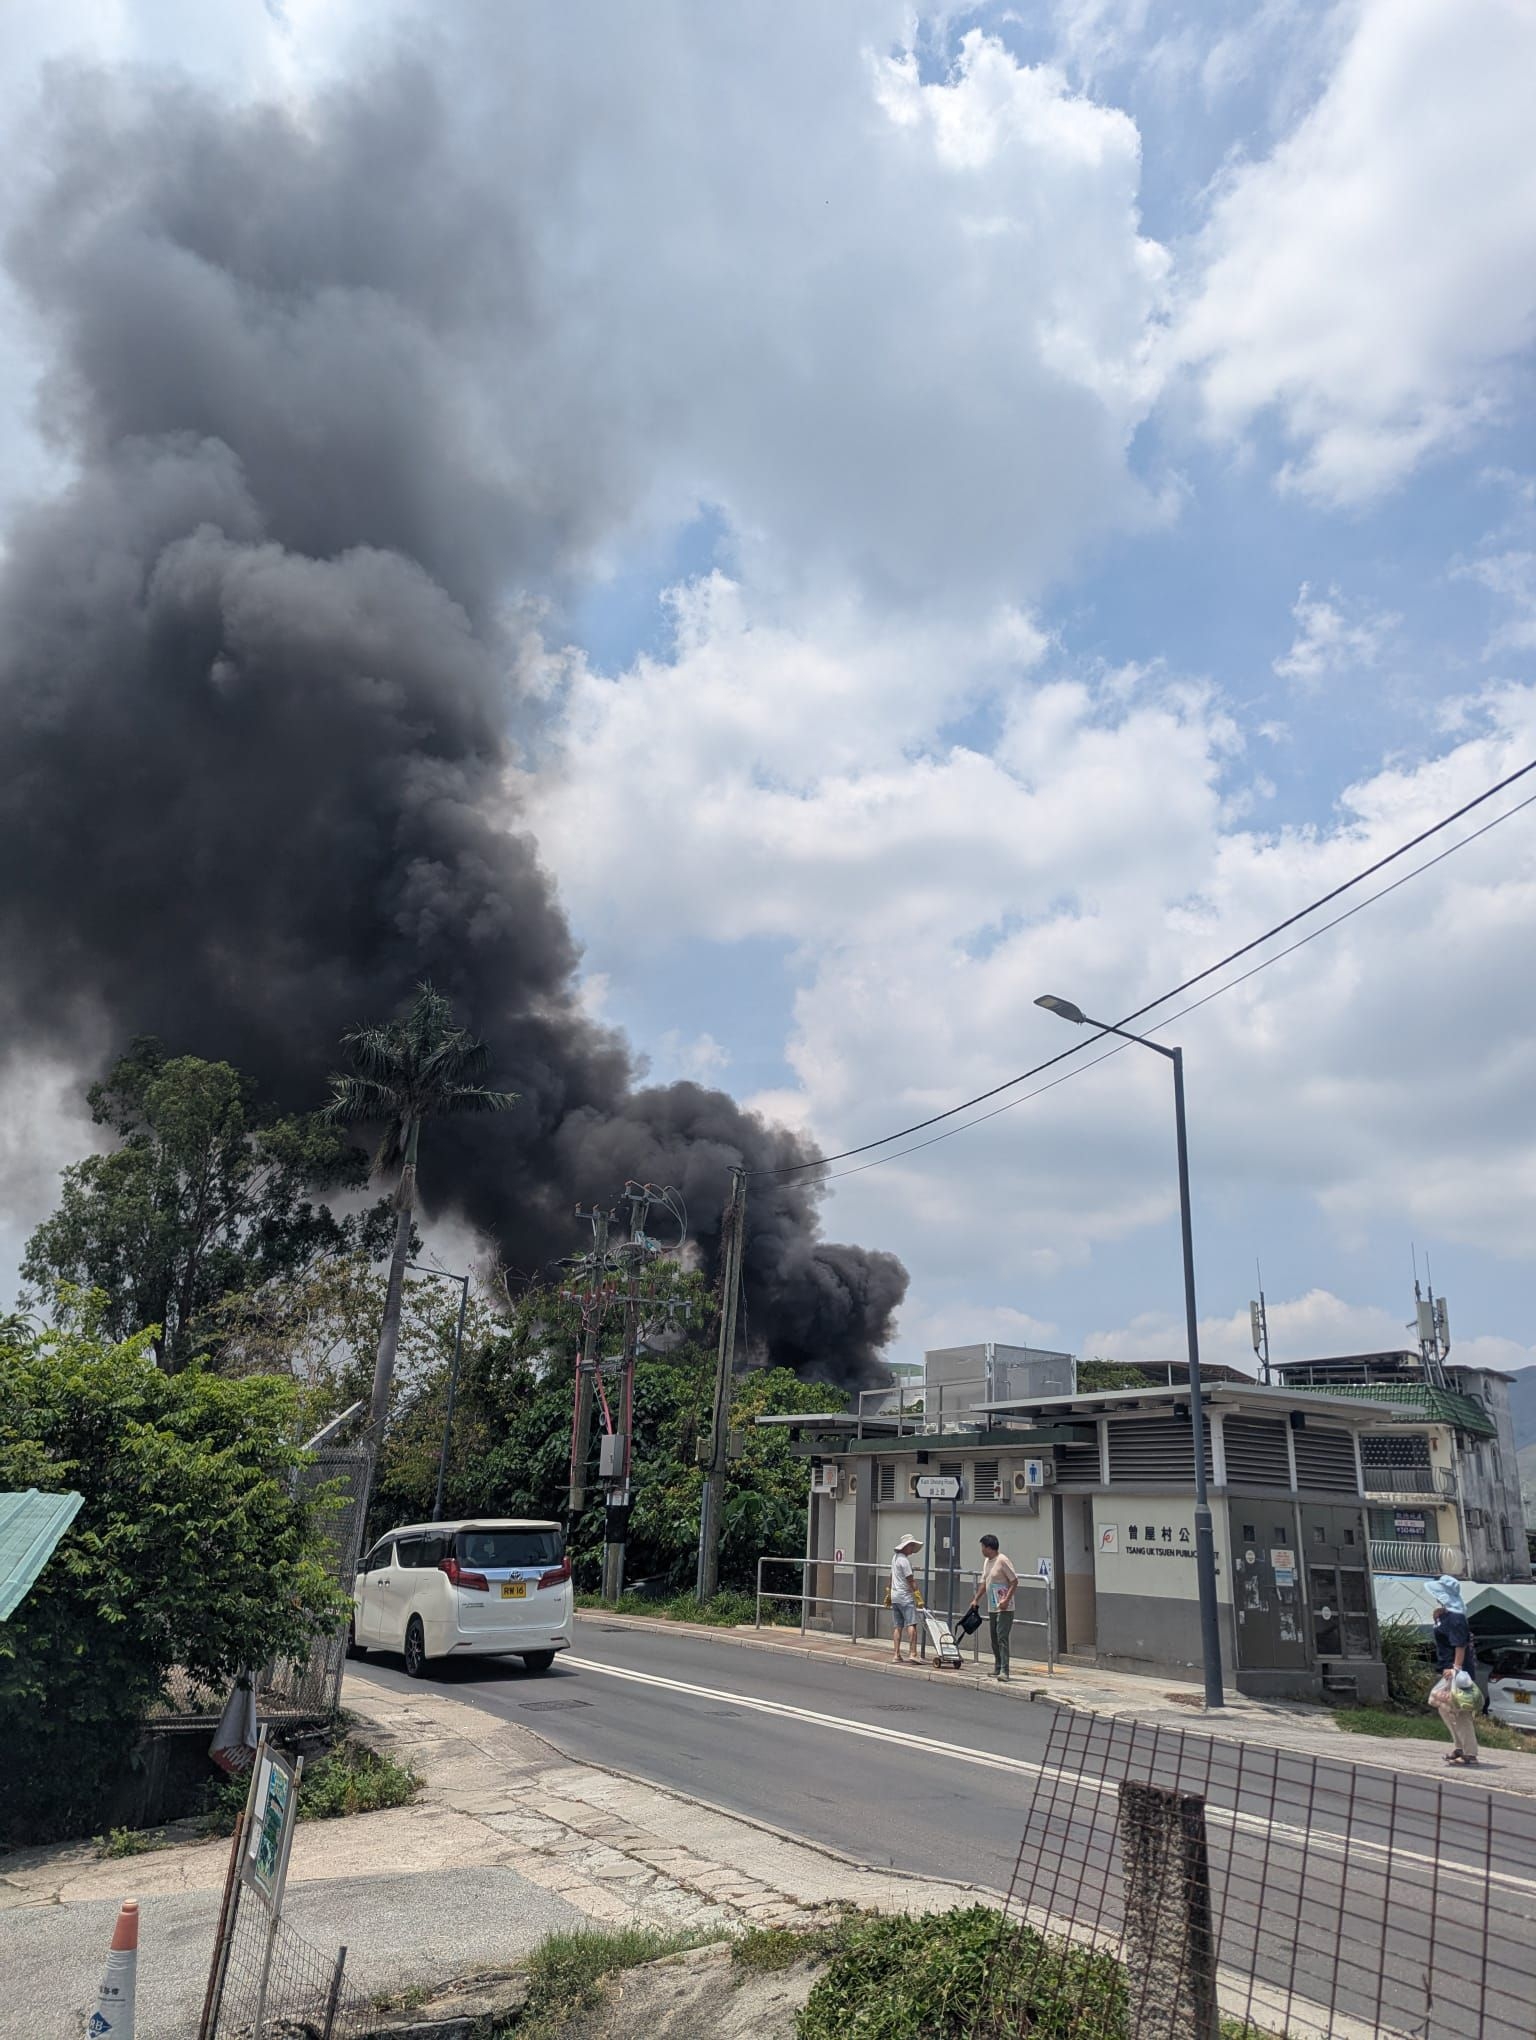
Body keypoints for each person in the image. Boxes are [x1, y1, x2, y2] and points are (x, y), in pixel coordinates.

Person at [1428, 1574, 1481, 1766]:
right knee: (1447, 1707)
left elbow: (1460, 1645)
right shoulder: (1447, 1615)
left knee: (1456, 1707)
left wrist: (1456, 1668)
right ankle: (1461, 1747)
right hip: (1449, 1669)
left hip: (1458, 1671)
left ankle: (1469, 1752)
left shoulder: (1457, 1617)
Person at [971, 1534, 1019, 1681]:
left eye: (983, 1547)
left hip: (1005, 1607)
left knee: (1002, 1637)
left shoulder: (1002, 1560)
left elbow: (1014, 1581)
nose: (981, 1550)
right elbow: (984, 1582)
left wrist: (1006, 1599)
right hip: (992, 1605)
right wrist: (976, 1599)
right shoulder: (987, 1562)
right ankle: (998, 1667)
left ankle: (1005, 1670)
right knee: (994, 1637)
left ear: (989, 1547)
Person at [889, 1534, 922, 1663]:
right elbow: (911, 1580)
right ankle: (913, 1653)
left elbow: (891, 1575)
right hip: (905, 1596)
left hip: (895, 1595)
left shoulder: (895, 1558)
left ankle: (896, 1655)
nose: (913, 1548)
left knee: (898, 1626)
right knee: (911, 1624)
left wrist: (888, 1591)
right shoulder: (905, 1561)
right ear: (906, 1547)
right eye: (911, 1546)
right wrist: (918, 1596)